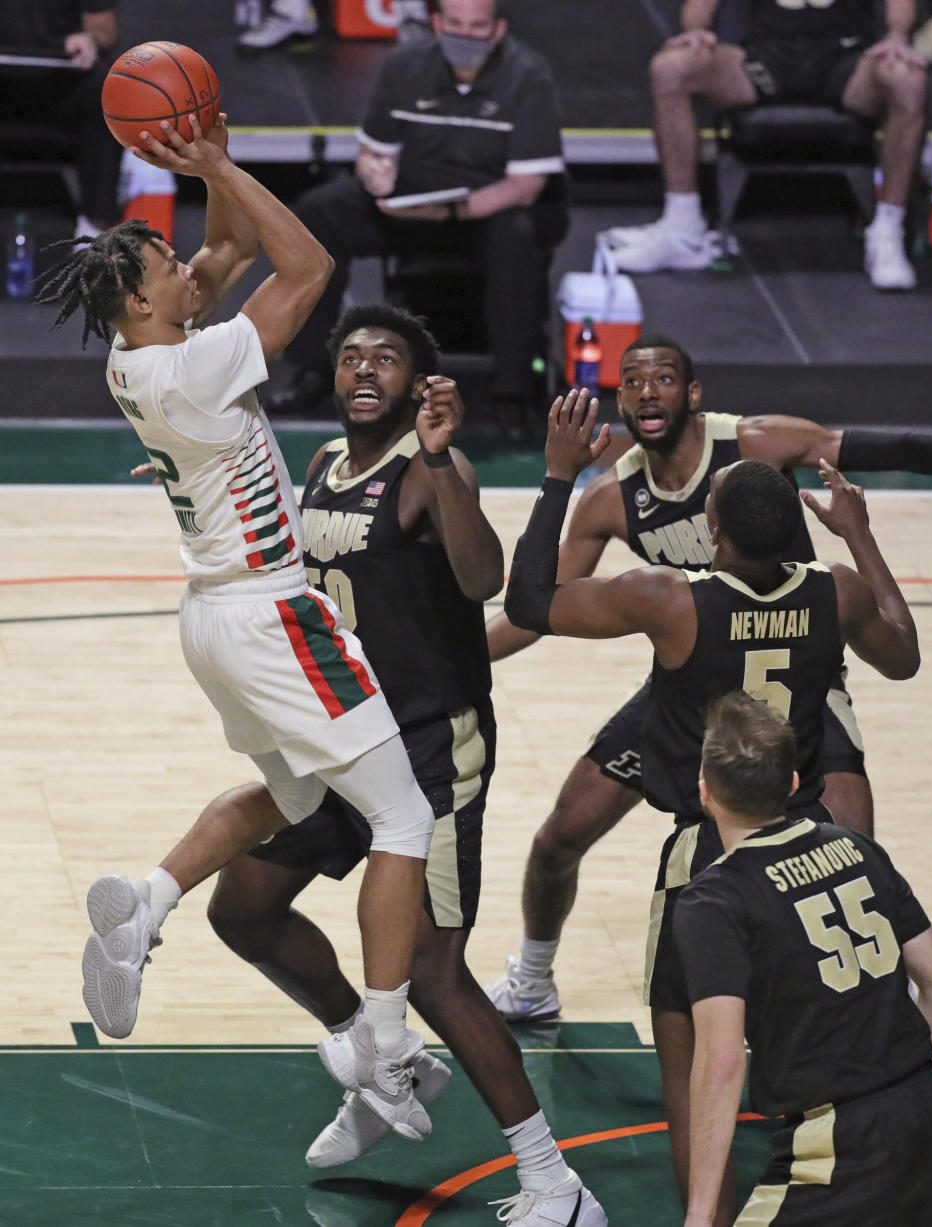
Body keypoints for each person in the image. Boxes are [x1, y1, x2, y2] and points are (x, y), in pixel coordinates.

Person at [36, 114, 438, 1140]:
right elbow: (304, 264)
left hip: (215, 617)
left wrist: (206, 159)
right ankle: (384, 1046)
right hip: (270, 613)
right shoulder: (191, 366)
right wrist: (216, 163)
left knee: (294, 796)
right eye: (168, 263)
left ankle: (148, 898)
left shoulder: (139, 359)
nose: (191, 265)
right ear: (141, 299)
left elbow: (232, 249)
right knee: (402, 822)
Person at [204, 301, 605, 1226]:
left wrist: (437, 457)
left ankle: (555, 1182)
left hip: (431, 746)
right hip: (344, 735)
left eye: (385, 358)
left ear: (420, 384)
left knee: (432, 967)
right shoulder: (320, 466)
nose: (363, 371)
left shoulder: (431, 470)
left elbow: (480, 580)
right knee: (244, 907)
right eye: (351, 357)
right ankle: (378, 1050)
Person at [502, 388, 921, 1223]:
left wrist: (556, 480)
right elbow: (904, 655)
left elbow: (529, 603)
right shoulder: (833, 591)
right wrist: (862, 537)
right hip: (808, 841)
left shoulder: (672, 600)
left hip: (714, 850)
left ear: (715, 534)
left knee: (696, 1073)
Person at [485, 333, 932, 1027]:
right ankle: (531, 978)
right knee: (561, 835)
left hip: (799, 682)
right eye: (635, 382)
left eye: (664, 378)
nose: (649, 392)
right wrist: (461, 653)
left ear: (693, 393)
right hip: (696, 691)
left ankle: (894, 1019)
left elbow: (899, 450)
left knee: (857, 863)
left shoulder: (756, 445)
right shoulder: (611, 499)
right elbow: (539, 608)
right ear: (621, 399)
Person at [676, 690, 932, 1227]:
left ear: (705, 793)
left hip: (837, 1144)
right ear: (791, 784)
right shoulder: (856, 846)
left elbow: (721, 1063)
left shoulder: (714, 901)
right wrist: (921, 1096)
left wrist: (699, 1214)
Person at [268, 0, 567, 438]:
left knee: (517, 237)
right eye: (456, 25)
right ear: (436, 23)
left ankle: (514, 392)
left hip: (488, 210)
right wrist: (375, 174)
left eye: (477, 27)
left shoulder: (528, 76)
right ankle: (312, 369)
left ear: (498, 30)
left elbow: (526, 185)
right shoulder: (404, 66)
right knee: (319, 213)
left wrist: (449, 210)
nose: (465, 37)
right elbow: (373, 152)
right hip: (409, 203)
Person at [604, 0, 927, 290]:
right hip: (766, 61)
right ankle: (682, 228)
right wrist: (696, 29)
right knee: (671, 67)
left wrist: (897, 35)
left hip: (848, 61)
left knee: (908, 80)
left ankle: (887, 231)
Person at [0, 0, 122, 235]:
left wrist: (90, 39)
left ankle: (93, 228)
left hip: (61, 79)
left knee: (106, 89)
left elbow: (105, 31)